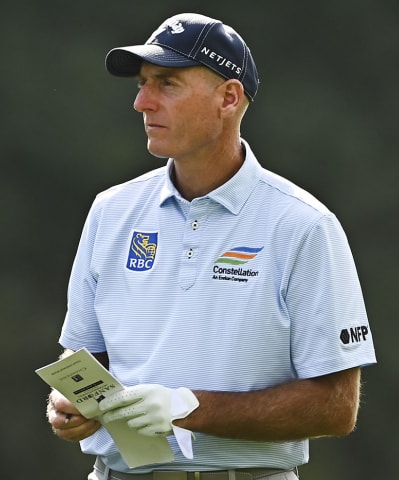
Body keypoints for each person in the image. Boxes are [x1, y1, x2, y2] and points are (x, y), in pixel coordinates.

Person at [46, 12, 376, 480]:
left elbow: (336, 406)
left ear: (228, 97)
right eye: (142, 83)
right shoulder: (111, 210)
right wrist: (70, 401)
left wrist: (187, 407)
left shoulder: (303, 225)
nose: (142, 102)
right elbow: (84, 355)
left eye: (167, 83)